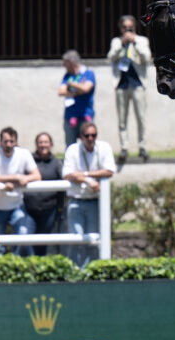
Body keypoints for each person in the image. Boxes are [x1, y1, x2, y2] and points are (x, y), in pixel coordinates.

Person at [61, 121, 116, 268]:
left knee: (93, 241)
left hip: (94, 201)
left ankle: (89, 272)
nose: (91, 138)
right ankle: (75, 271)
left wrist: (85, 174)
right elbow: (67, 174)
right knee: (76, 239)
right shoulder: (73, 149)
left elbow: (109, 170)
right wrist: (88, 181)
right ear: (81, 137)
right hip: (76, 201)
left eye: (94, 135)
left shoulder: (104, 147)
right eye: (87, 136)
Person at [0, 127, 40, 255]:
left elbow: (37, 175)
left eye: (12, 141)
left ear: (16, 142)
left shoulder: (23, 154)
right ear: (0, 141)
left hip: (16, 205)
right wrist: (16, 178)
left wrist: (26, 178)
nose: (9, 145)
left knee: (22, 237)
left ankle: (16, 267)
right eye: (6, 141)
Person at [106, 15, 151, 164]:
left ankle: (142, 147)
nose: (128, 30)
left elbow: (147, 58)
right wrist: (122, 45)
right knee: (122, 120)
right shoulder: (116, 42)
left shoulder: (142, 40)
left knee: (141, 117)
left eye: (130, 27)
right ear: (120, 29)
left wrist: (135, 43)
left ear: (135, 28)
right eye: (125, 28)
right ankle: (124, 147)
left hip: (138, 84)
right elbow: (111, 57)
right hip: (122, 84)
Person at [22, 132, 63, 256]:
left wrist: (60, 210)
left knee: (42, 244)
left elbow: (63, 185)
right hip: (29, 209)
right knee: (25, 240)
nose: (43, 145)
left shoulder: (56, 163)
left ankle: (39, 270)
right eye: (40, 142)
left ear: (50, 144)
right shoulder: (29, 160)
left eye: (46, 142)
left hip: (48, 210)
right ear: (36, 144)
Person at [59, 49, 96, 148]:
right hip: (70, 115)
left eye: (65, 63)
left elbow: (86, 88)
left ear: (71, 62)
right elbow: (61, 91)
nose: (63, 66)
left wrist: (71, 84)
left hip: (85, 115)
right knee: (70, 146)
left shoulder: (88, 73)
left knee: (87, 144)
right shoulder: (67, 76)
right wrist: (79, 90)